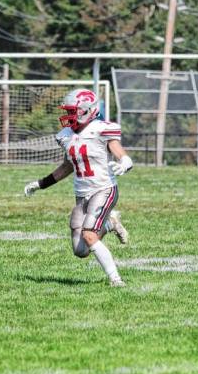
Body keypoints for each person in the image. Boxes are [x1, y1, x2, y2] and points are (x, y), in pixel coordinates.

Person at [24, 88, 131, 287]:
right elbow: (67, 166)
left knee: (90, 236)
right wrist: (41, 184)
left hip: (104, 189)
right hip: (82, 195)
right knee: (80, 250)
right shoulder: (65, 135)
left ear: (88, 110)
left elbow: (120, 152)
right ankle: (110, 223)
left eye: (74, 111)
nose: (70, 116)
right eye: (69, 111)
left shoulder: (101, 129)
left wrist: (125, 162)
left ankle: (116, 279)